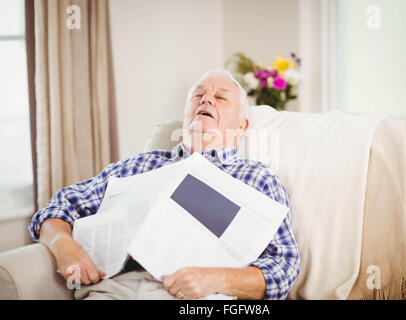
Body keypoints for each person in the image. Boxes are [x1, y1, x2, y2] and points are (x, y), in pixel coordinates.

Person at [28, 69, 300, 300]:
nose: (206, 99)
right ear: (185, 113)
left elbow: (285, 264)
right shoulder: (142, 165)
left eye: (219, 97)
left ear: (241, 126)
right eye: (198, 94)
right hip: (115, 288)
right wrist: (64, 245)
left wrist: (217, 279)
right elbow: (62, 204)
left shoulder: (256, 177)